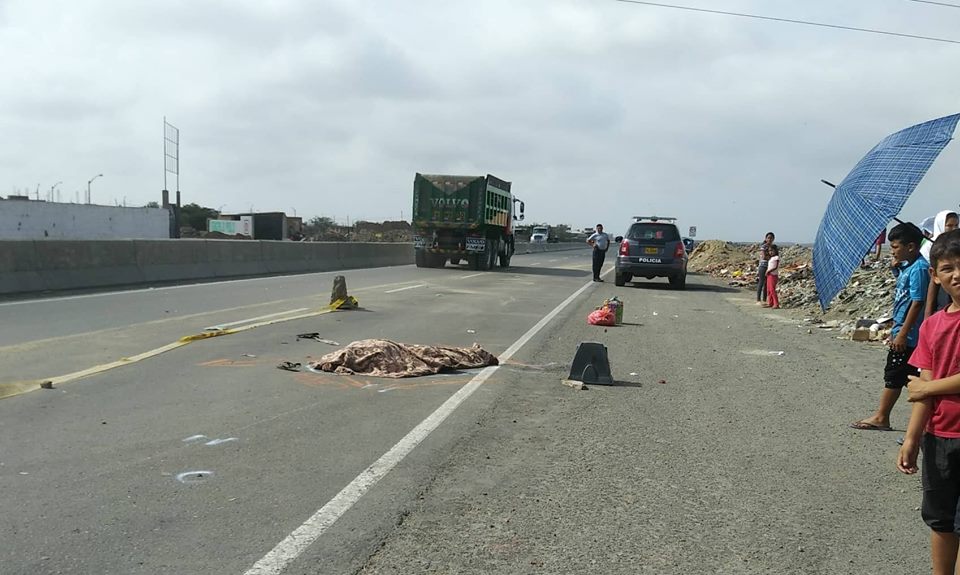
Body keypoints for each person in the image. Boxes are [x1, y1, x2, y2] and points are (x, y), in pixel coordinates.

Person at [896, 229, 960, 574]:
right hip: (939, 438)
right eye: (947, 268)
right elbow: (922, 385)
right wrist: (910, 438)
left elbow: (924, 387)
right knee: (941, 521)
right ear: (934, 275)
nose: (957, 275)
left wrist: (927, 389)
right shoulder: (932, 326)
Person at [851, 222, 929, 431]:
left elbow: (918, 301)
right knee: (900, 375)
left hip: (910, 334)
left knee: (896, 375)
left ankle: (882, 417)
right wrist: (895, 269)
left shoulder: (919, 269)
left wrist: (903, 333)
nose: (892, 251)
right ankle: (888, 417)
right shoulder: (907, 267)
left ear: (911, 247)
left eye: (895, 247)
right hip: (902, 330)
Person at [923, 211, 959, 319]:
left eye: (956, 225)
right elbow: (933, 283)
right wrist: (928, 314)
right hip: (942, 294)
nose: (953, 229)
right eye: (949, 226)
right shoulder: (930, 247)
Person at [755, 232, 775, 305]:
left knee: (767, 284)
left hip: (770, 267)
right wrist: (771, 258)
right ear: (766, 238)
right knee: (761, 282)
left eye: (771, 238)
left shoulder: (773, 247)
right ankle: (758, 300)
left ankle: (764, 300)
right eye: (768, 238)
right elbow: (763, 257)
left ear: (773, 239)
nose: (770, 239)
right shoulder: (763, 246)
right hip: (763, 266)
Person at [764, 244, 780, 309]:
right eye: (769, 251)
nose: (770, 252)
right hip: (769, 275)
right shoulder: (771, 258)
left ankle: (776, 303)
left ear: (775, 250)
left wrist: (769, 271)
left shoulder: (776, 257)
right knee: (769, 290)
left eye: (772, 250)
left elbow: (775, 267)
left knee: (772, 290)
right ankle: (770, 302)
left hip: (773, 275)